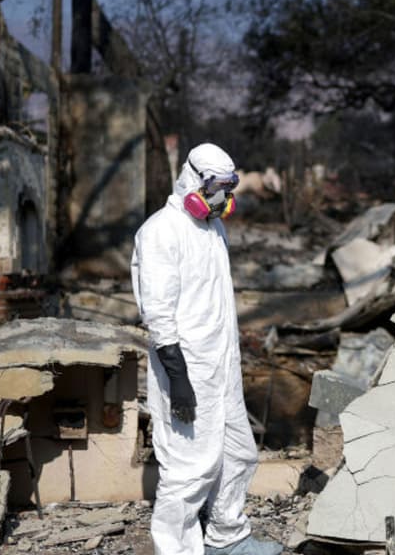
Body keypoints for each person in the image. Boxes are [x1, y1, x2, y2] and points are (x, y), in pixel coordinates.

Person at [131, 143, 282, 555]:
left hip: (222, 365)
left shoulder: (214, 228)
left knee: (238, 454)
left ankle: (226, 538)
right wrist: (177, 380)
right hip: (186, 367)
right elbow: (158, 314)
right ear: (192, 180)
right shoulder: (161, 231)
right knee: (189, 470)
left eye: (229, 188)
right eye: (215, 187)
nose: (223, 198)